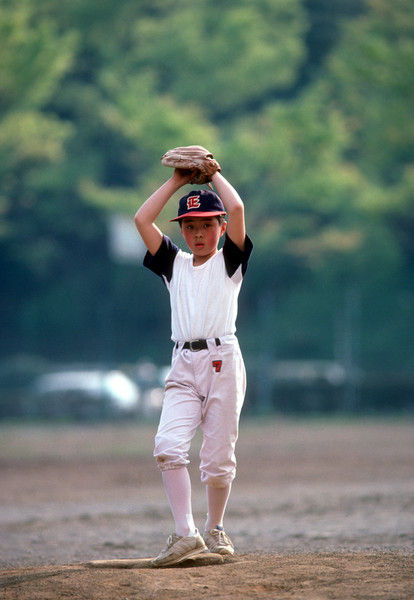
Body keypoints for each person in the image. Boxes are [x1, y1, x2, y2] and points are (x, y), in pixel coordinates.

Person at [134, 164, 253, 567]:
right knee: (167, 446)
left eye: (206, 224)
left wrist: (214, 171)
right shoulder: (174, 264)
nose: (198, 234)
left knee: (218, 461)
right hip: (182, 364)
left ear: (220, 227)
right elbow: (142, 219)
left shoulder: (229, 262)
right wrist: (178, 181)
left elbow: (237, 207)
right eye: (189, 226)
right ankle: (187, 535)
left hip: (223, 360)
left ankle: (215, 528)